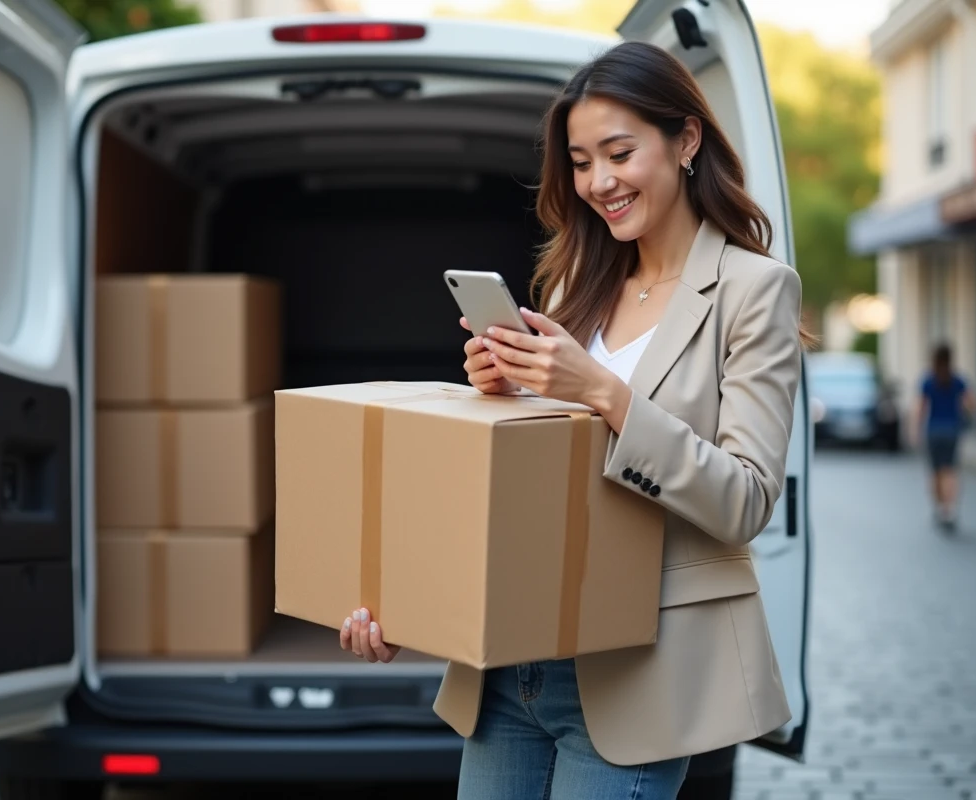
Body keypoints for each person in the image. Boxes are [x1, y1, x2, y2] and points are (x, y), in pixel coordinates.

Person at [339, 41, 808, 798]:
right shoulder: (570, 286)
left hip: (640, 672)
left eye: (619, 153)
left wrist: (607, 394)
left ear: (686, 139)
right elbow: (528, 488)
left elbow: (745, 500)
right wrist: (500, 401)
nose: (599, 182)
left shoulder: (753, 291)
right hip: (511, 668)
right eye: (582, 162)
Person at [916, 343, 976, 529]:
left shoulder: (928, 380)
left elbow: (921, 408)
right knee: (949, 470)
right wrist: (965, 415)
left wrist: (916, 430)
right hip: (952, 430)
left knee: (935, 472)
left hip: (933, 430)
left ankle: (939, 506)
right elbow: (972, 403)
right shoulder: (958, 380)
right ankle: (949, 510)